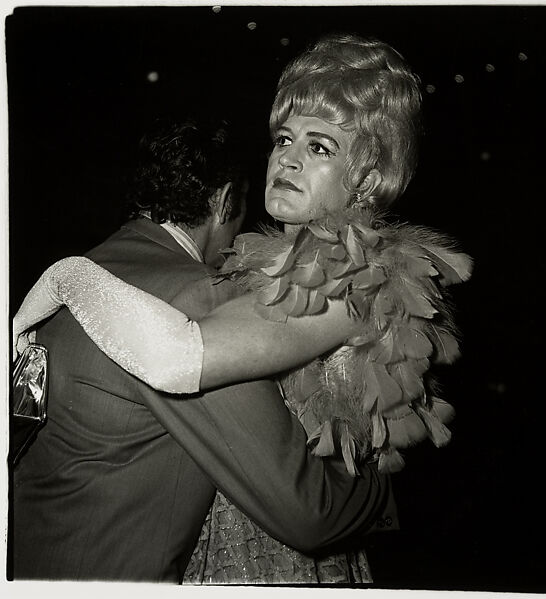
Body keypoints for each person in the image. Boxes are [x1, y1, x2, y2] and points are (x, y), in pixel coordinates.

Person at [13, 33, 472, 582]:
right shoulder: (264, 270)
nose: (288, 159)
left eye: (319, 147)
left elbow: (177, 358)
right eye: (283, 138)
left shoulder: (352, 278)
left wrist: (66, 276)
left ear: (368, 178)